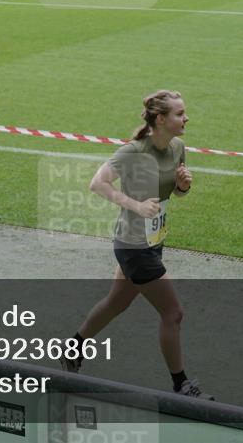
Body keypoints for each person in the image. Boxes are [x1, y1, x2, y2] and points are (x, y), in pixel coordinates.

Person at [61, 90, 213, 400]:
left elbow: (177, 193)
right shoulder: (132, 152)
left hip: (154, 242)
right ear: (160, 119)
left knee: (117, 302)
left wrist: (184, 186)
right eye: (179, 113)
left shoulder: (178, 147)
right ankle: (181, 385)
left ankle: (73, 346)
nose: (186, 118)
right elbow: (97, 183)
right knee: (173, 313)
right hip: (133, 247)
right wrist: (135, 205)